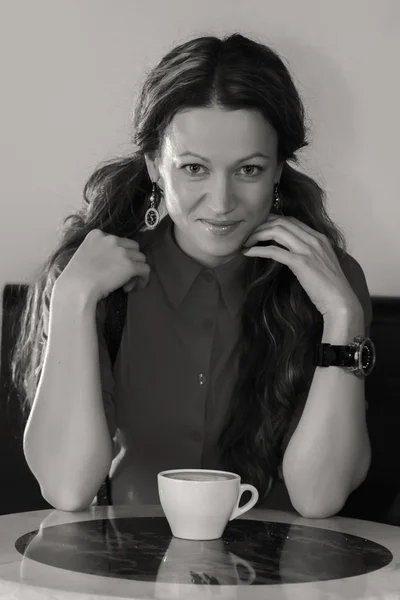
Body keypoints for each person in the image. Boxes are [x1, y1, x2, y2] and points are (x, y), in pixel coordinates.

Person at [12, 33, 373, 517]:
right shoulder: (91, 280)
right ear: (154, 168)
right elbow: (66, 487)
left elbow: (319, 498)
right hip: (121, 579)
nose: (221, 203)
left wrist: (343, 316)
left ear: (279, 172)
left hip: (279, 584)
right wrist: (73, 296)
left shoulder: (332, 282)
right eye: (194, 169)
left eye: (248, 169)